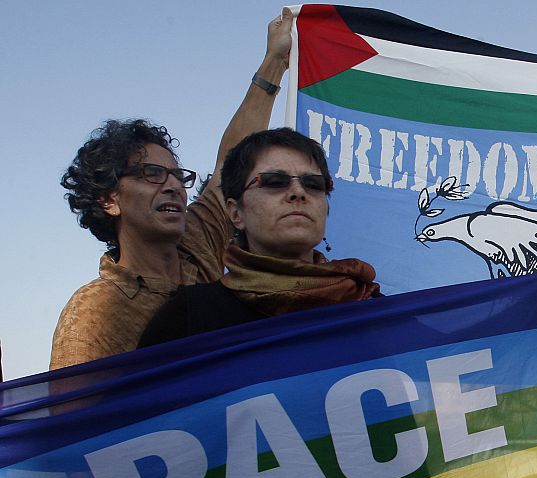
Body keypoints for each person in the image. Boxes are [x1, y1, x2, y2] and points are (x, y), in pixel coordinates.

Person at [49, 10, 293, 370]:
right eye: (151, 173)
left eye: (178, 176)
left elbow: (231, 160)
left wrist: (275, 62)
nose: (173, 187)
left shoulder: (197, 243)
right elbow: (78, 421)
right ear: (108, 200)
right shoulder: (93, 312)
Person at [137, 127, 383, 344]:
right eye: (275, 181)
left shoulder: (374, 309)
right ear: (235, 213)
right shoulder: (188, 318)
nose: (298, 192)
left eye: (314, 184)